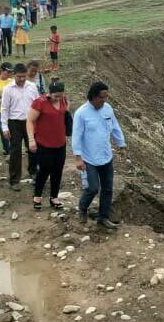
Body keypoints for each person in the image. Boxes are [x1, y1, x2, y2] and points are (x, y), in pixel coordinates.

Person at [72, 81, 126, 228]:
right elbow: (76, 136)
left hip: (106, 156)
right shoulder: (81, 113)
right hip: (89, 158)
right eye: (102, 97)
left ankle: (103, 217)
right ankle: (83, 208)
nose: (104, 100)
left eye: (106, 97)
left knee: (108, 189)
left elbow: (115, 127)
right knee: (93, 188)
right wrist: (78, 158)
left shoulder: (107, 109)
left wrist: (121, 144)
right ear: (93, 97)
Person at [27, 79, 67, 210]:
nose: (58, 99)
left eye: (60, 96)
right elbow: (30, 121)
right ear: (49, 93)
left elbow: (63, 114)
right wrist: (31, 140)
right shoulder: (40, 102)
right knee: (44, 169)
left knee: (58, 170)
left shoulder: (63, 100)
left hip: (60, 142)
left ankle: (54, 197)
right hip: (44, 143)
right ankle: (37, 195)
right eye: (55, 96)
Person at [0, 63, 39, 191]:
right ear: (14, 75)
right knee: (15, 151)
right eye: (19, 77)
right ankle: (14, 180)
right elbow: (4, 109)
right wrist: (4, 127)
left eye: (23, 76)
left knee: (33, 148)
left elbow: (38, 104)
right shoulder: (8, 89)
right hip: (14, 123)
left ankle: (33, 172)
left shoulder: (32, 87)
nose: (22, 79)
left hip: (30, 122)